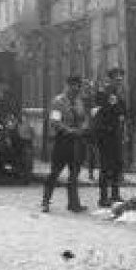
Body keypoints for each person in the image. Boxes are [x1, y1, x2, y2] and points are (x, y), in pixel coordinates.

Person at [42, 75, 89, 213]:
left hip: (77, 141)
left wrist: (84, 127)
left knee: (74, 173)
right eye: (73, 85)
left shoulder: (79, 102)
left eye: (78, 86)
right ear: (67, 86)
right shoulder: (58, 102)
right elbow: (55, 121)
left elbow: (83, 117)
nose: (76, 88)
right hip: (63, 140)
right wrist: (69, 130)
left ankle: (74, 203)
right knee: (55, 172)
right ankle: (46, 201)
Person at [91, 67, 128, 207]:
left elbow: (123, 111)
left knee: (118, 164)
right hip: (105, 134)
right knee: (106, 166)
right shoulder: (104, 92)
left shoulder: (120, 93)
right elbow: (107, 110)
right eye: (116, 77)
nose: (119, 79)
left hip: (117, 133)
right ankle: (103, 197)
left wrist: (119, 111)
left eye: (120, 77)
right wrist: (116, 108)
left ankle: (115, 194)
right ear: (110, 79)